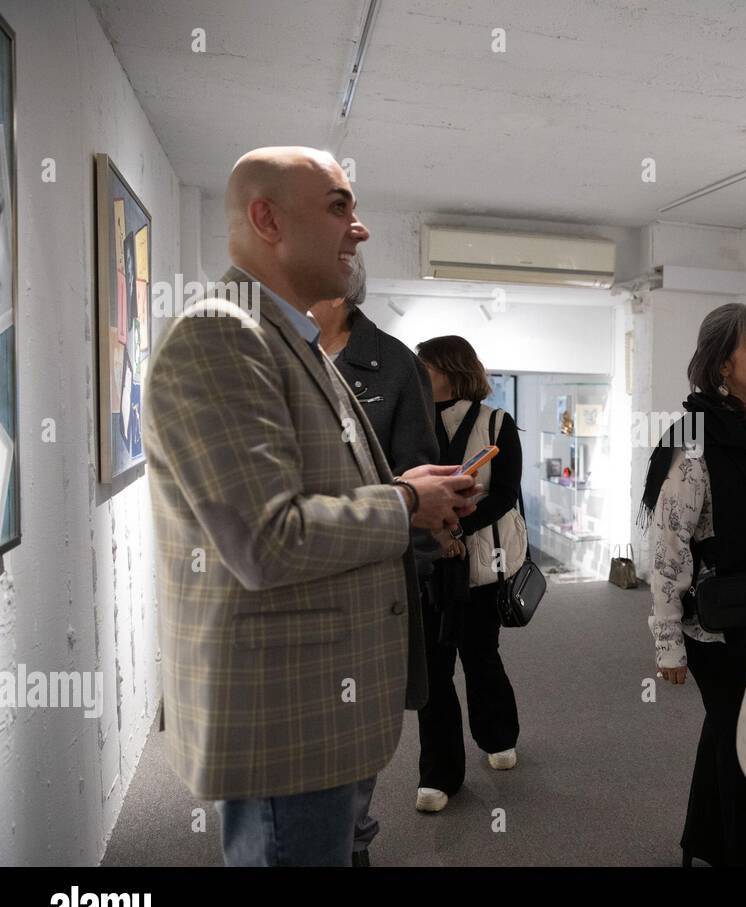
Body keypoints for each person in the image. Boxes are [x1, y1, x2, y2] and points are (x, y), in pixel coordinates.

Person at [143, 146, 479, 866]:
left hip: (324, 702)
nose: (359, 229)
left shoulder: (288, 340)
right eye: (339, 207)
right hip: (286, 722)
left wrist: (408, 487)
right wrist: (404, 503)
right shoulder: (221, 336)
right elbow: (268, 540)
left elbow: (312, 494)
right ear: (266, 218)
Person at [641, 303, 746, 867]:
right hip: (719, 624)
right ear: (721, 363)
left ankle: (704, 841)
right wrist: (667, 640)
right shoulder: (691, 439)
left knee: (728, 730)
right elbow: (667, 546)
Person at [309, 249, 441, 866]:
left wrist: (405, 573)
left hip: (367, 598)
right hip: (294, 582)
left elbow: (422, 487)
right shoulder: (278, 354)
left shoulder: (394, 366)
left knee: (351, 772)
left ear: (338, 288)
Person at [413, 335, 526, 813]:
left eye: (426, 366)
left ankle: (498, 737)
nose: (418, 374)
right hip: (425, 564)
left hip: (482, 563)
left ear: (450, 369)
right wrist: (438, 530)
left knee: (481, 654)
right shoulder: (410, 420)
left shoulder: (497, 423)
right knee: (433, 671)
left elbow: (504, 494)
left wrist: (457, 525)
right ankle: (439, 775)